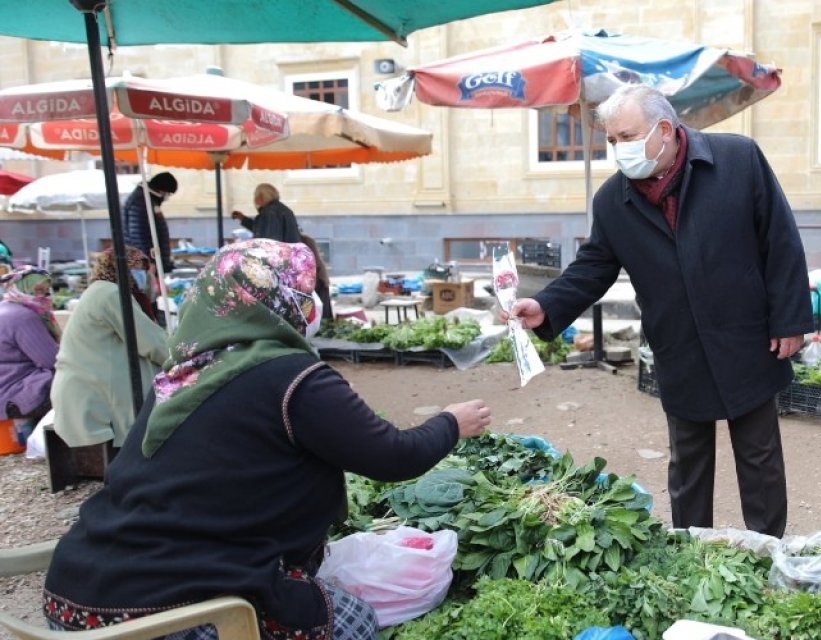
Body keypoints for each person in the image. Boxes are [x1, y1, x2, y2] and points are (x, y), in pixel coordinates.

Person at [43, 239, 492, 640]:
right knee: (355, 621)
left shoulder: (181, 375)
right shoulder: (293, 377)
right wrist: (451, 422)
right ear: (281, 300)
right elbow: (393, 456)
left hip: (71, 596)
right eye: (302, 291)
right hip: (159, 615)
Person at [503, 84, 811, 538]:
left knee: (759, 456)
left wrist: (791, 319)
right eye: (611, 141)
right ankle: (691, 549)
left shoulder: (738, 160)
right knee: (687, 462)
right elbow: (594, 265)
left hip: (747, 335)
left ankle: (768, 548)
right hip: (678, 343)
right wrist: (545, 305)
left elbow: (780, 240)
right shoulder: (613, 200)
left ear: (664, 129)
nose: (618, 149)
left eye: (626, 136)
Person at [50, 247, 167, 448]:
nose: (143, 274)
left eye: (144, 269)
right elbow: (152, 343)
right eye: (137, 267)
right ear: (120, 268)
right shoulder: (111, 294)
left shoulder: (100, 291)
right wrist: (185, 356)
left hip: (89, 389)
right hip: (98, 397)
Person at [0, 267, 59, 443]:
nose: (43, 296)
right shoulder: (23, 317)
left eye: (45, 290)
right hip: (13, 395)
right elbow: (51, 360)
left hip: (5, 390)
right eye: (37, 290)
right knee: (73, 380)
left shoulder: (5, 308)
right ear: (21, 287)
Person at [123, 172, 179, 273]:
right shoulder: (141, 201)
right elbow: (138, 234)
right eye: (168, 194)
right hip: (144, 263)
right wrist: (148, 261)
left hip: (147, 260)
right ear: (162, 190)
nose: (167, 197)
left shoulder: (147, 200)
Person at [231, 183, 302, 243]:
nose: (254, 199)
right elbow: (261, 228)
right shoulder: (279, 209)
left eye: (255, 195)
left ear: (261, 197)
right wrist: (242, 218)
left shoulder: (270, 213)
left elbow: (269, 241)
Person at [300, 233, 333, 321]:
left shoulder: (305, 240)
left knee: (318, 313)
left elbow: (315, 263)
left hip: (318, 280)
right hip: (314, 279)